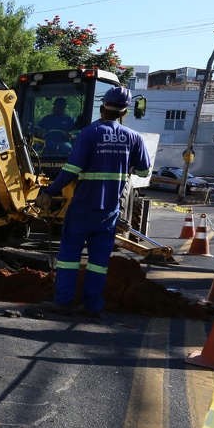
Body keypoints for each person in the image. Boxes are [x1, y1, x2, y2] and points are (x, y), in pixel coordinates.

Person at [34, 86, 152, 317]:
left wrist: (49, 191)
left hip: (82, 206)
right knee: (99, 261)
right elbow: (144, 170)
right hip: (108, 211)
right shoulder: (134, 138)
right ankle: (92, 305)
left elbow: (71, 169)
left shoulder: (88, 134)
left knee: (69, 257)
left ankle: (64, 303)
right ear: (124, 112)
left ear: (102, 108)